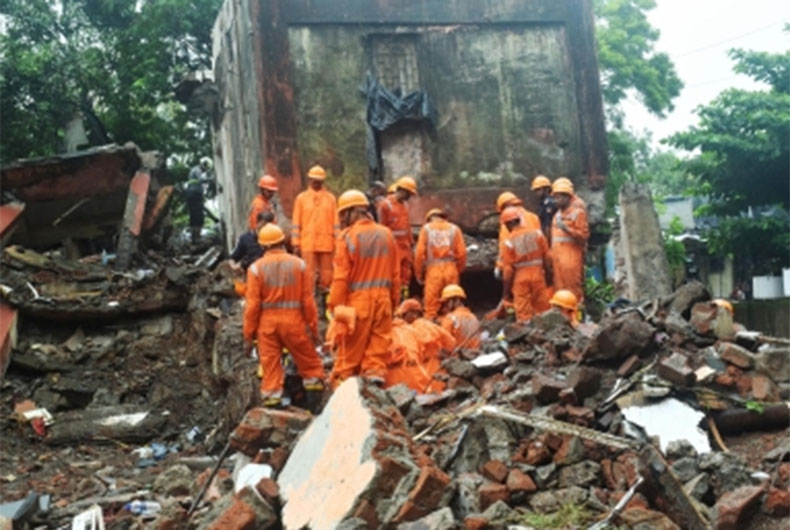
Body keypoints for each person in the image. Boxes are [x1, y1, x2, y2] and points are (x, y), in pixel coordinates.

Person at [242, 224, 325, 407]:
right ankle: (314, 407)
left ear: (263, 246)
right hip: (294, 323)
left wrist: (248, 336)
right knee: (310, 364)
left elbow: (252, 307)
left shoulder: (255, 269)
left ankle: (274, 407)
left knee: (271, 369)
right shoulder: (299, 265)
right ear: (282, 241)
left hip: (267, 326)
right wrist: (314, 330)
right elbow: (308, 302)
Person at [328, 190, 400, 387]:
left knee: (347, 361)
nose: (342, 220)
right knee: (376, 360)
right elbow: (395, 275)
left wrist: (335, 307)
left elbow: (340, 278)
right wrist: (394, 303)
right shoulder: (387, 234)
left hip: (358, 306)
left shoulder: (347, 237)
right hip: (384, 303)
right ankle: (372, 394)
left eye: (343, 214)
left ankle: (342, 398)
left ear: (352, 211)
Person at [291, 165, 339, 299]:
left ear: (323, 181)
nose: (317, 183)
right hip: (308, 242)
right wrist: (295, 243)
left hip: (327, 243)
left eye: (319, 181)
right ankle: (309, 300)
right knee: (308, 273)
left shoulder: (330, 199)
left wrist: (338, 242)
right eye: (314, 180)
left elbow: (336, 223)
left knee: (327, 274)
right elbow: (296, 222)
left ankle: (326, 300)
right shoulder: (301, 199)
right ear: (309, 180)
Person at [499, 206, 552, 322]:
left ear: (508, 224)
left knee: (523, 313)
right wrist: (549, 277)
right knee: (543, 309)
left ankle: (526, 329)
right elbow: (547, 258)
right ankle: (545, 329)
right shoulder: (537, 234)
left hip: (521, 279)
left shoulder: (508, 242)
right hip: (538, 276)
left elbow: (508, 271)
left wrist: (506, 292)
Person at [414, 208, 467, 319]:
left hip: (433, 271)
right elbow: (462, 253)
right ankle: (452, 325)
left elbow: (419, 254)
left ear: (429, 219)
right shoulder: (454, 229)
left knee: (431, 308)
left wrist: (418, 274)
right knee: (452, 303)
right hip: (451, 269)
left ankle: (431, 327)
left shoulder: (426, 229)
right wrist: (458, 269)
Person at [378, 176, 418, 299]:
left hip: (405, 246)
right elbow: (381, 228)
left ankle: (403, 298)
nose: (409, 197)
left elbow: (407, 226)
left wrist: (411, 243)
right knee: (394, 275)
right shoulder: (385, 205)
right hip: (392, 247)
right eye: (409, 194)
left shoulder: (405, 205)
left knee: (406, 275)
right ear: (402, 190)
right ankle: (393, 299)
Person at [550, 178, 589, 301]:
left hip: (571, 259)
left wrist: (567, 229)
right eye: (555, 197)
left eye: (559, 197)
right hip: (557, 260)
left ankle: (577, 311)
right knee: (559, 291)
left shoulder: (578, 213)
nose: (556, 201)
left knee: (573, 289)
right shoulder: (557, 215)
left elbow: (583, 236)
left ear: (567, 197)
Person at [399, 298, 456, 381]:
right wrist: (442, 354)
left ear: (413, 313)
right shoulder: (432, 326)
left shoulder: (409, 330)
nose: (402, 319)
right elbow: (451, 342)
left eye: (404, 315)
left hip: (423, 376)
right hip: (440, 374)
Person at [494, 191, 540, 280]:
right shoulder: (534, 217)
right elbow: (540, 242)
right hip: (537, 268)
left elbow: (505, 247)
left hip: (519, 271)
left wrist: (499, 266)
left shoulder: (508, 220)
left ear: (504, 206)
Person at [229, 212, 267, 296]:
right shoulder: (245, 238)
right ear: (257, 223)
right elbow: (233, 257)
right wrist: (234, 267)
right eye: (263, 225)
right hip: (250, 279)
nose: (265, 228)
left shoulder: (273, 239)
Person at [439, 284, 481, 350]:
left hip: (458, 355)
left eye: (447, 302)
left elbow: (444, 344)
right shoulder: (474, 317)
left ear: (456, 300)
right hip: (476, 354)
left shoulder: (449, 319)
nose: (445, 306)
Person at [185, 158, 212, 243]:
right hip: (195, 195)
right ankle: (197, 238)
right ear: (203, 164)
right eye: (206, 168)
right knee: (198, 216)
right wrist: (211, 179)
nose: (205, 170)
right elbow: (201, 179)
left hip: (191, 195)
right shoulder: (197, 170)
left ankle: (194, 238)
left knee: (194, 216)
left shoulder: (193, 170)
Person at [531, 175, 556, 242]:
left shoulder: (549, 203)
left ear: (546, 189)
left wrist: (547, 242)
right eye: (535, 190)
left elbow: (548, 225)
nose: (536, 193)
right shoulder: (543, 203)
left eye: (538, 189)